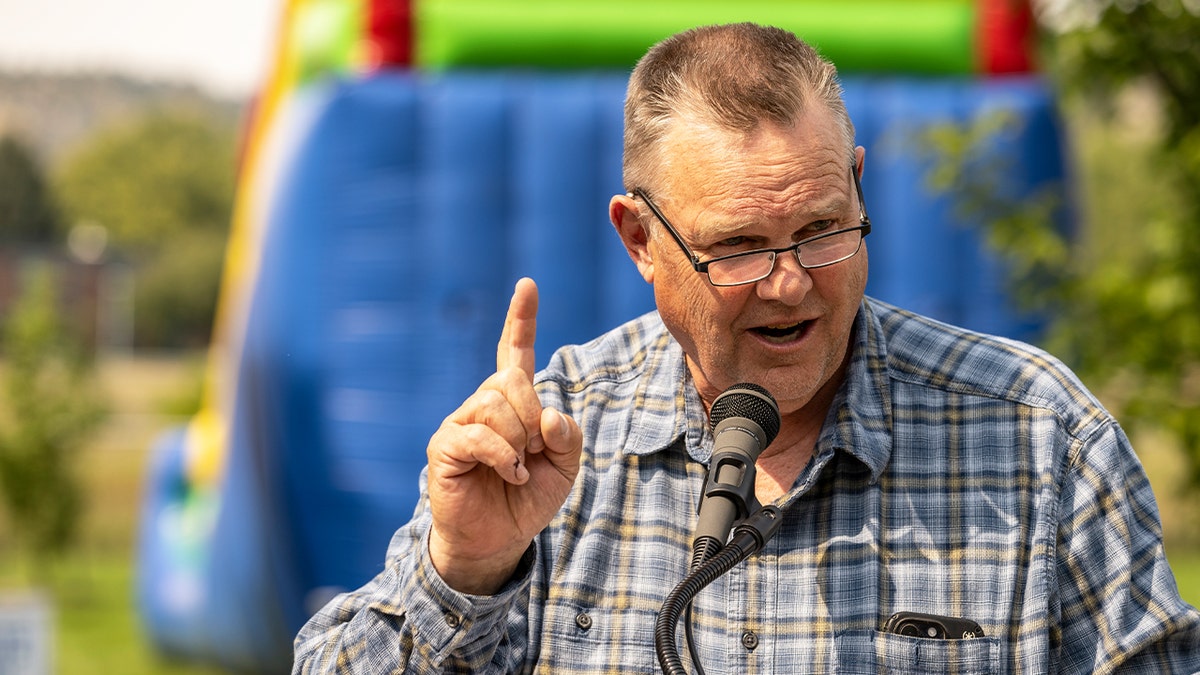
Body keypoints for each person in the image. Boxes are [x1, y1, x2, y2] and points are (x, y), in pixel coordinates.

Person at [292, 23, 1200, 673]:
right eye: (737, 248)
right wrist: (466, 572)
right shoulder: (544, 439)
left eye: (823, 228)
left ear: (856, 183)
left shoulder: (1040, 434)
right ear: (639, 238)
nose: (792, 281)